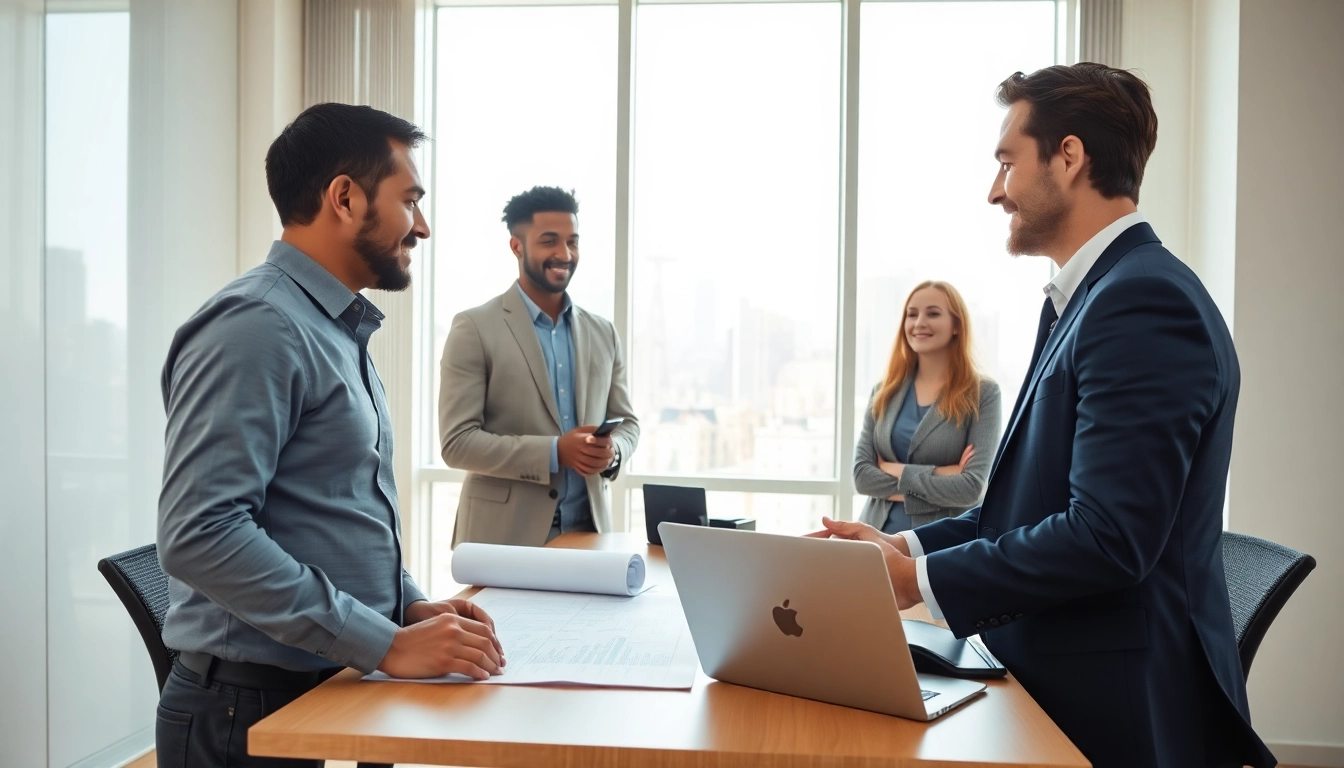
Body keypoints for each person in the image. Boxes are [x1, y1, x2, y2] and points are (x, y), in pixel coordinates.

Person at [815, 64, 1273, 768]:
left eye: (1007, 162)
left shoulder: (1142, 302)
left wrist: (915, 584)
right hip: (1053, 673)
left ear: (1069, 157)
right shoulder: (1091, 297)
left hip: (1117, 706)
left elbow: (1108, 536)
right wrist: (904, 550)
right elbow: (1029, 508)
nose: (995, 190)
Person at [156, 103, 504, 768]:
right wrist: (384, 644)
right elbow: (200, 533)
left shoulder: (330, 329)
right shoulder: (258, 326)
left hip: (319, 687)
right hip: (246, 713)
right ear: (345, 197)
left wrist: (407, 608)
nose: (422, 226)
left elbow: (338, 509)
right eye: (410, 200)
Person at [439, 186, 639, 546]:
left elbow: (627, 423)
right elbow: (457, 442)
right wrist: (554, 452)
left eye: (572, 241)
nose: (565, 254)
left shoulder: (604, 332)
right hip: (503, 540)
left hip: (590, 535)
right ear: (517, 246)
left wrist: (613, 452)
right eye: (549, 241)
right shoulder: (474, 328)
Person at [854, 280, 1001, 534]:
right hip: (874, 539)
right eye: (912, 314)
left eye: (933, 314)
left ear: (957, 325)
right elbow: (862, 477)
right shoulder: (883, 392)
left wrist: (894, 470)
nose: (919, 322)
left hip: (941, 544)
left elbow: (971, 488)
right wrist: (945, 473)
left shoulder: (983, 393)